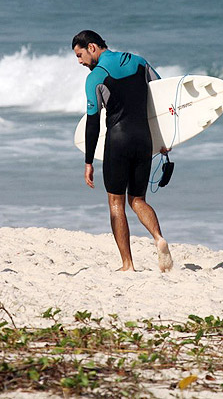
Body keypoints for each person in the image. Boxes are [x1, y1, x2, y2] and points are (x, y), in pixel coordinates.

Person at [72, 30, 173, 272]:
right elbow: (163, 95)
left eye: (80, 55)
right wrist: (167, 137)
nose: (80, 62)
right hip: (144, 140)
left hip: (118, 141)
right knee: (137, 200)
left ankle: (128, 264)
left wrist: (88, 162)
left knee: (116, 203)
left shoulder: (95, 77)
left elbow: (93, 122)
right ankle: (159, 238)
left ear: (93, 47)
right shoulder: (139, 62)